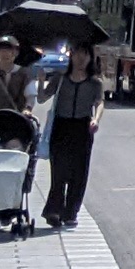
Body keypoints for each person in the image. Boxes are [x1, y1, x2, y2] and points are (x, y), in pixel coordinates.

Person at [39, 46, 104, 228]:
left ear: (90, 58)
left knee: (79, 172)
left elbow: (99, 102)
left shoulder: (94, 83)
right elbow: (42, 98)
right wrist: (40, 81)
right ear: (71, 56)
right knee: (59, 171)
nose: (81, 58)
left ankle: (70, 213)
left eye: (85, 54)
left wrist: (95, 120)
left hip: (83, 128)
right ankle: (54, 210)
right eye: (77, 53)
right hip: (61, 127)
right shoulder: (60, 79)